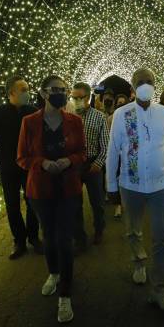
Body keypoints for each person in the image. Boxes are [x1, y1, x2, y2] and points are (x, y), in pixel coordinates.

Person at [106, 67, 164, 311]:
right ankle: (139, 261)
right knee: (133, 230)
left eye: (149, 81)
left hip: (161, 185)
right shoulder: (122, 114)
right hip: (131, 185)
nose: (145, 84)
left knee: (162, 237)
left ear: (155, 83)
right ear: (132, 86)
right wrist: (111, 185)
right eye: (140, 81)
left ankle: (160, 290)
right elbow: (113, 150)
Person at [17, 75, 86, 323]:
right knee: (49, 235)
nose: (61, 93)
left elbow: (82, 152)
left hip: (68, 188)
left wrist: (70, 160)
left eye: (63, 90)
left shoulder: (75, 122)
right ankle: (53, 273)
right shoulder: (30, 122)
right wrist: (42, 163)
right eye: (55, 90)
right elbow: (22, 157)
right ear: (44, 93)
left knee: (65, 239)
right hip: (41, 190)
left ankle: (65, 295)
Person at [0, 75, 42, 260]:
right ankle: (19, 241)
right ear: (11, 93)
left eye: (28, 89)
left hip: (30, 167)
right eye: (23, 90)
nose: (27, 93)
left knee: (33, 202)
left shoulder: (33, 112)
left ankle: (33, 237)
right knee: (12, 205)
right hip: (7, 168)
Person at [70, 82, 109, 248]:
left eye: (81, 97)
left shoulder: (99, 116)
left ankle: (99, 229)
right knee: (74, 203)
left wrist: (99, 163)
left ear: (89, 97)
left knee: (97, 201)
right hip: (74, 166)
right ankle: (79, 236)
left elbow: (105, 144)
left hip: (93, 164)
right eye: (74, 97)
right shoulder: (68, 117)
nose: (78, 100)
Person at [107, 92, 131, 219]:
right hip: (116, 153)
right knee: (116, 177)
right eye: (119, 103)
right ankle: (118, 205)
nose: (121, 105)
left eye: (123, 103)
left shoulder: (132, 117)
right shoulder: (111, 119)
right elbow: (109, 139)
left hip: (129, 154)